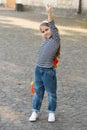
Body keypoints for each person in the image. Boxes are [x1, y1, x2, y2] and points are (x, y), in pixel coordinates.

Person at [29, 4, 60, 122]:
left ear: (52, 29)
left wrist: (49, 12)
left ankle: (51, 112)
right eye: (42, 31)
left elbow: (52, 24)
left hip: (48, 72)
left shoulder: (55, 40)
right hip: (38, 70)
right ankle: (35, 111)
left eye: (46, 29)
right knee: (38, 91)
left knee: (51, 93)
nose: (45, 32)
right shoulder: (44, 42)